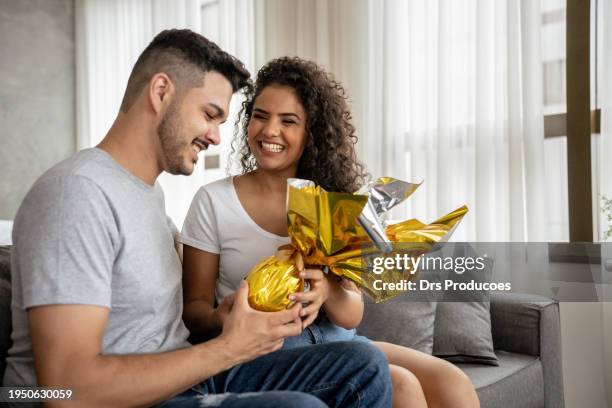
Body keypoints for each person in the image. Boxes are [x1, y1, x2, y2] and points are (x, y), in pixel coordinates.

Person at [2, 30, 392, 408]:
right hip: (124, 398)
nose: (217, 137)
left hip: (177, 381)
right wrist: (228, 348)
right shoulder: (76, 194)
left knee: (366, 368)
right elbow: (66, 391)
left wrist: (224, 319)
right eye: (210, 115)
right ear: (160, 92)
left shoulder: (148, 195)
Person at [181, 56, 480, 408]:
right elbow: (195, 311)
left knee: (453, 384)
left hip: (333, 337)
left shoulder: (335, 203)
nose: (269, 131)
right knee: (403, 385)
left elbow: (352, 314)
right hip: (267, 348)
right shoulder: (214, 201)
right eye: (260, 116)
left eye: (288, 121)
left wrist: (328, 293)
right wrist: (226, 317)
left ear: (312, 132)